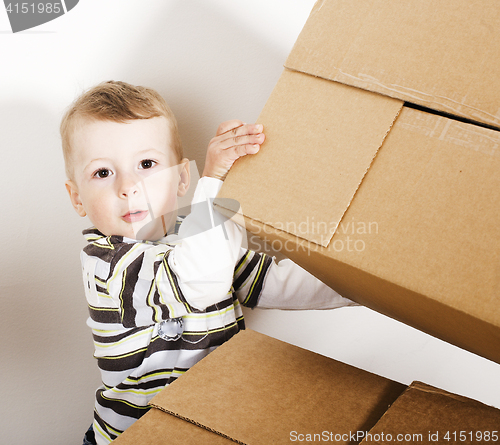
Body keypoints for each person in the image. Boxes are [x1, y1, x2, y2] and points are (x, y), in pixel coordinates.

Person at [61, 80, 357, 445]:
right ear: (77, 198)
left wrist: (366, 285)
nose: (128, 186)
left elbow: (273, 282)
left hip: (210, 420)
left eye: (146, 164)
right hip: (138, 436)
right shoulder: (106, 265)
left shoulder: (195, 236)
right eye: (103, 173)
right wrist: (215, 180)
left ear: (183, 178)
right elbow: (201, 278)